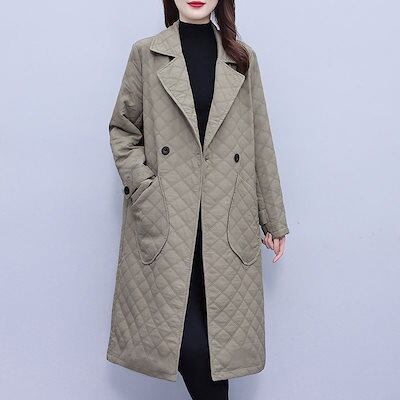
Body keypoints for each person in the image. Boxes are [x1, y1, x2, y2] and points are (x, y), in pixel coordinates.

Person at [106, 1, 289, 399]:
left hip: (227, 220)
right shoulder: (147, 53)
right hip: (167, 218)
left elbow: (260, 139)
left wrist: (272, 217)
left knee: (217, 348)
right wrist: (145, 188)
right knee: (191, 346)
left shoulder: (242, 58)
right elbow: (123, 131)